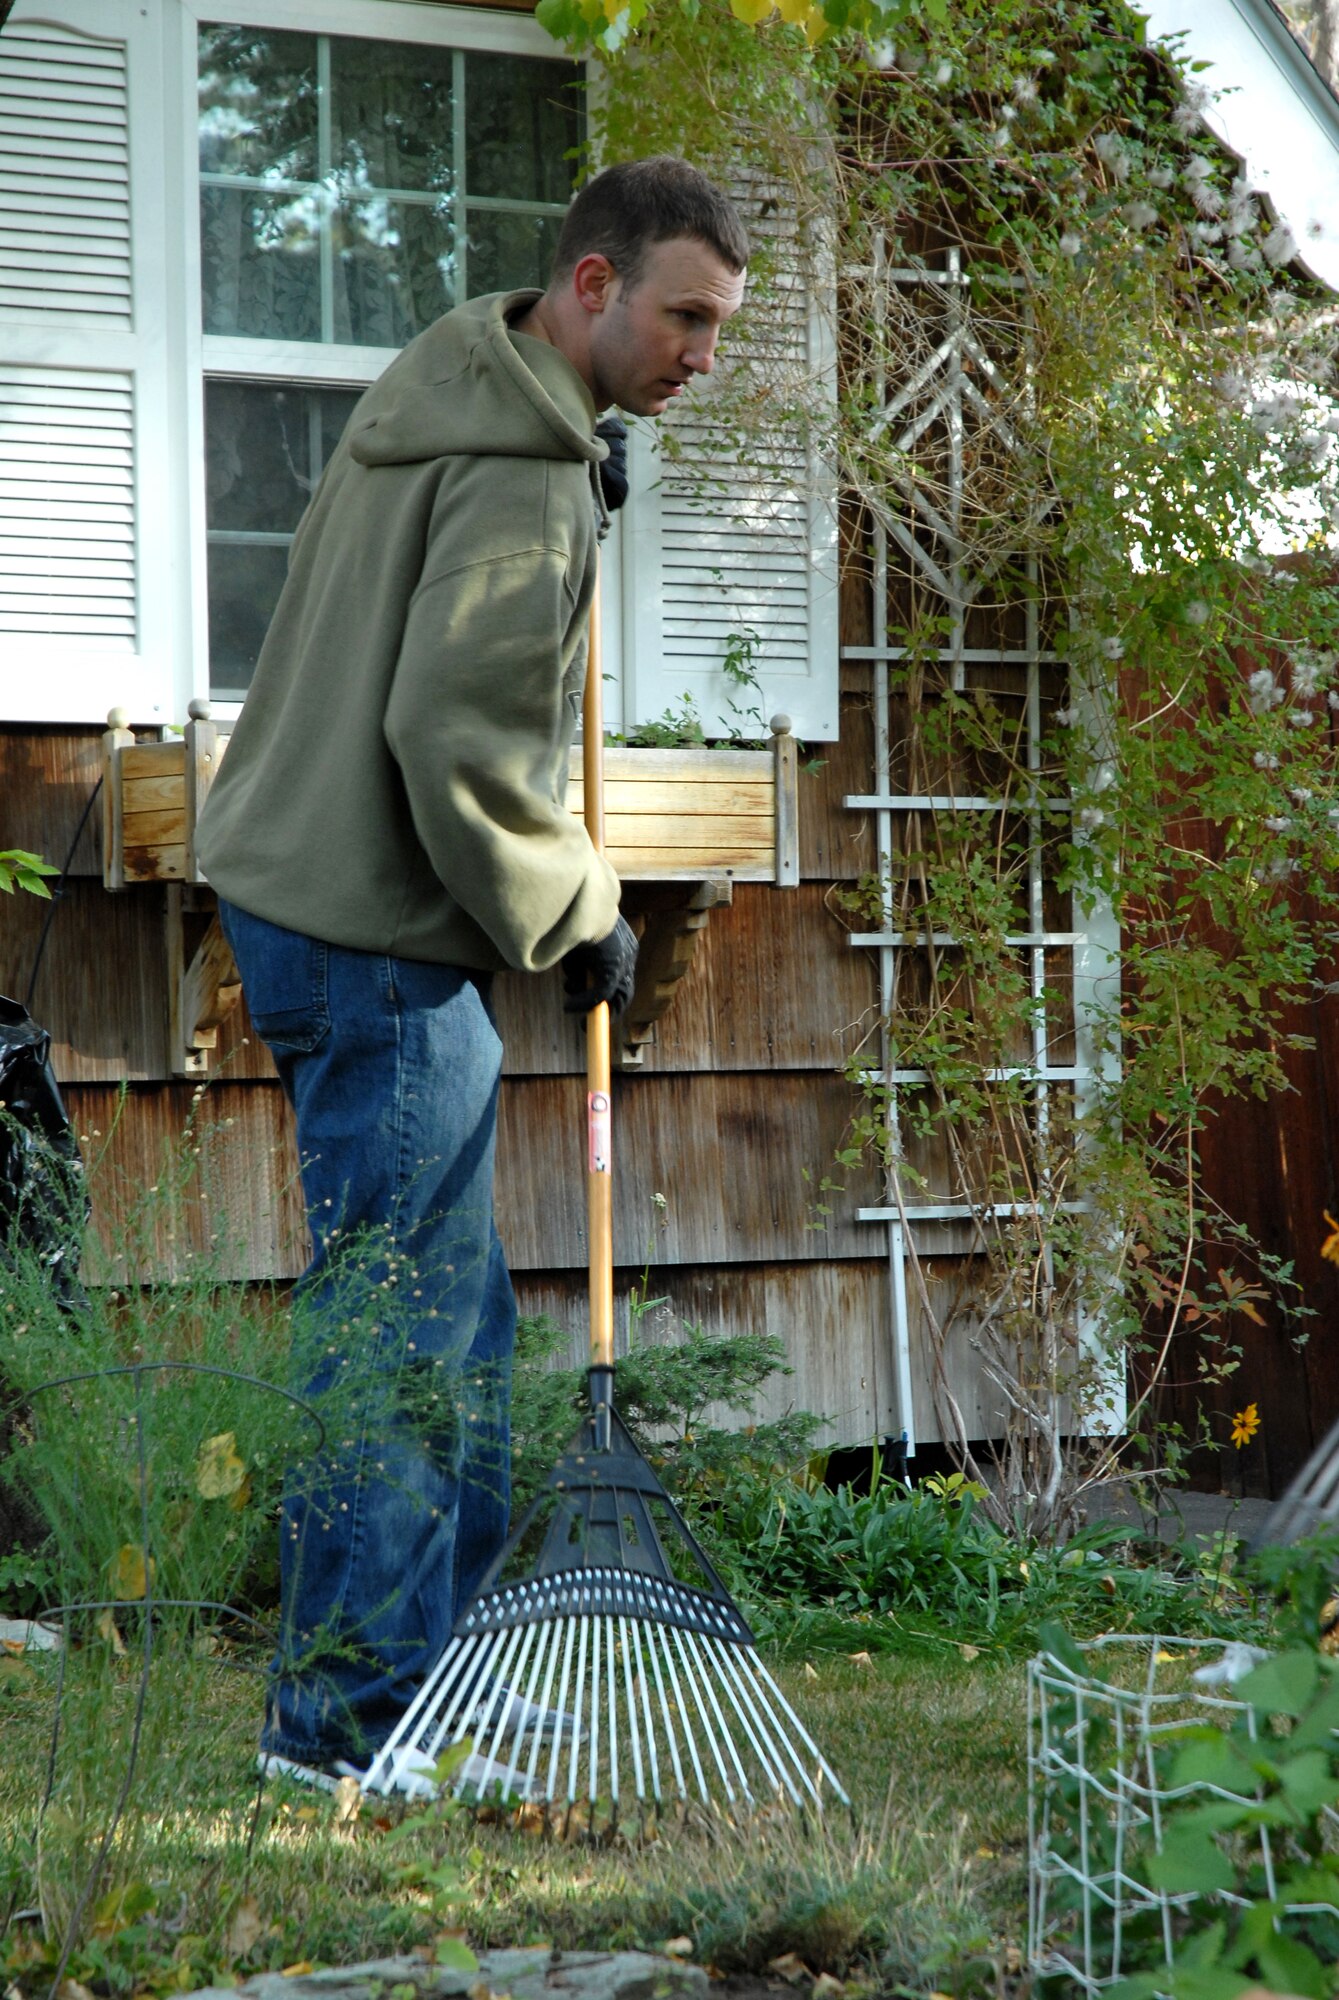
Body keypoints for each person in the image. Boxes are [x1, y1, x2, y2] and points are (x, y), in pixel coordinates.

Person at [195, 156, 749, 1795]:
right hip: (370, 932)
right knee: (400, 1332)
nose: (700, 355)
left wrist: (583, 479)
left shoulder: (457, 396)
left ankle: (421, 1681)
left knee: (445, 1312)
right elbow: (451, 736)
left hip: (312, 900)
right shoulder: (515, 472)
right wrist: (575, 904)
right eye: (684, 318)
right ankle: (346, 1727)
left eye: (718, 327)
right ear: (591, 287)